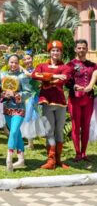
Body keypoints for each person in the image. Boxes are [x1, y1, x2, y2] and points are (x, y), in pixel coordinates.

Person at [32, 40, 71, 170]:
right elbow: (34, 75)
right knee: (49, 130)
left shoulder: (65, 67)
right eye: (53, 50)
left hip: (60, 102)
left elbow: (64, 78)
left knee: (59, 131)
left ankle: (58, 160)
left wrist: (46, 79)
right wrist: (54, 76)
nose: (55, 52)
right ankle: (51, 160)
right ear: (49, 52)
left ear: (61, 53)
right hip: (46, 101)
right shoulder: (42, 65)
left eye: (58, 50)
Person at [0, 55, 32, 171]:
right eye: (11, 62)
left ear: (19, 63)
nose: (13, 65)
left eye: (15, 62)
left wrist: (16, 95)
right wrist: (3, 94)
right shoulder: (3, 75)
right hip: (7, 109)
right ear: (8, 63)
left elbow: (28, 92)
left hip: (19, 109)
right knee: (16, 132)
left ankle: (9, 158)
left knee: (12, 132)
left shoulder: (22, 76)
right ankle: (21, 159)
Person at [66, 39, 96, 162]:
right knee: (75, 126)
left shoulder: (93, 65)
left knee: (86, 126)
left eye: (83, 48)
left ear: (87, 49)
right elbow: (67, 81)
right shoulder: (70, 65)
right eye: (79, 48)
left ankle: (84, 153)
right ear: (75, 49)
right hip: (75, 99)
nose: (81, 50)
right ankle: (77, 153)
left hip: (88, 99)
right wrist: (73, 86)